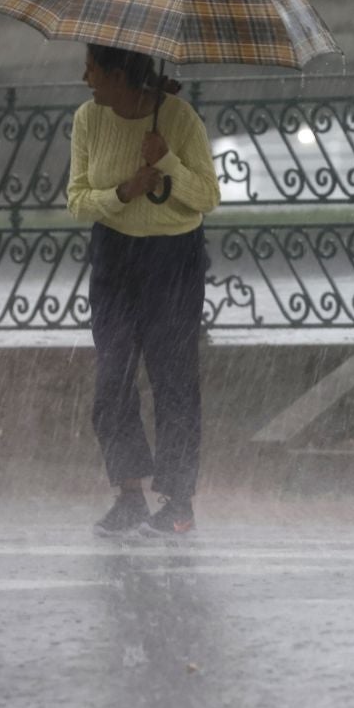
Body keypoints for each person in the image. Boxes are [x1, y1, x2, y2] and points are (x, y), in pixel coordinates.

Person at [67, 43, 221, 538]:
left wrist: (169, 163)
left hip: (171, 260)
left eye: (92, 69)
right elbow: (76, 201)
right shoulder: (88, 120)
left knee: (173, 381)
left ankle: (178, 501)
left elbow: (207, 198)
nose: (85, 78)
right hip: (114, 259)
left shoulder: (178, 118)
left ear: (118, 74)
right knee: (113, 379)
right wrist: (123, 193)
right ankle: (129, 495)